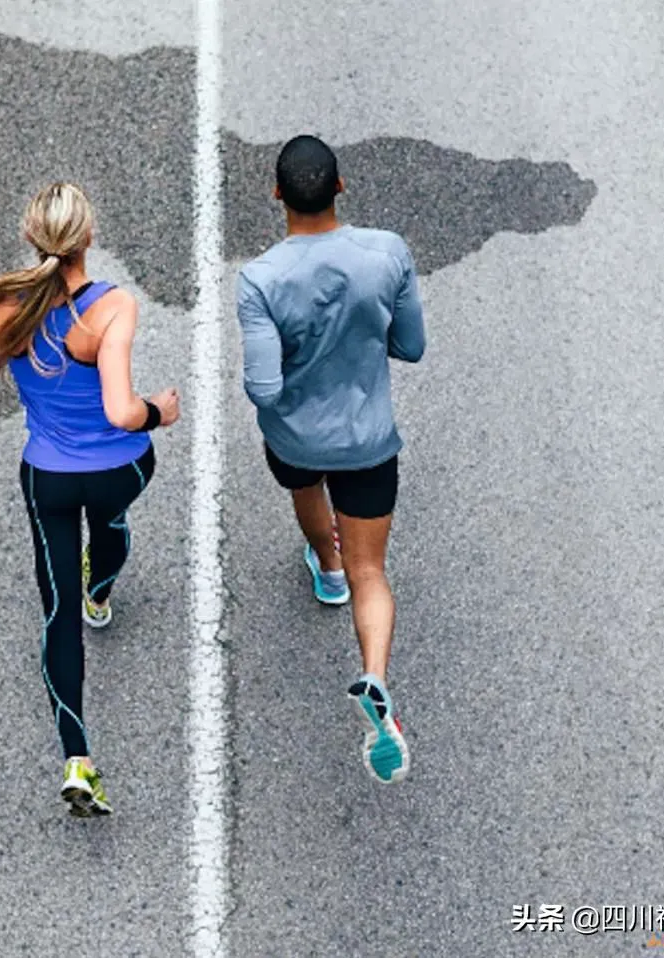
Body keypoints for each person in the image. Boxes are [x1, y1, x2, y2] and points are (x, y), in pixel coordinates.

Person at [0, 182, 180, 817]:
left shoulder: (0, 304)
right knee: (110, 529)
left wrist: (16, 341)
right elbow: (119, 408)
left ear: (32, 236)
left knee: (56, 615)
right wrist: (158, 414)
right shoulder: (111, 308)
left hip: (48, 478)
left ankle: (78, 758)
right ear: (88, 236)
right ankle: (101, 590)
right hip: (118, 469)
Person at [235, 135, 426, 785]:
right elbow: (411, 345)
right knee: (376, 570)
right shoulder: (388, 253)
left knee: (308, 496)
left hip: (294, 438)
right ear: (341, 188)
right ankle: (374, 677)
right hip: (367, 438)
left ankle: (325, 566)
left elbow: (261, 388)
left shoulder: (259, 280)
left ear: (277, 194)